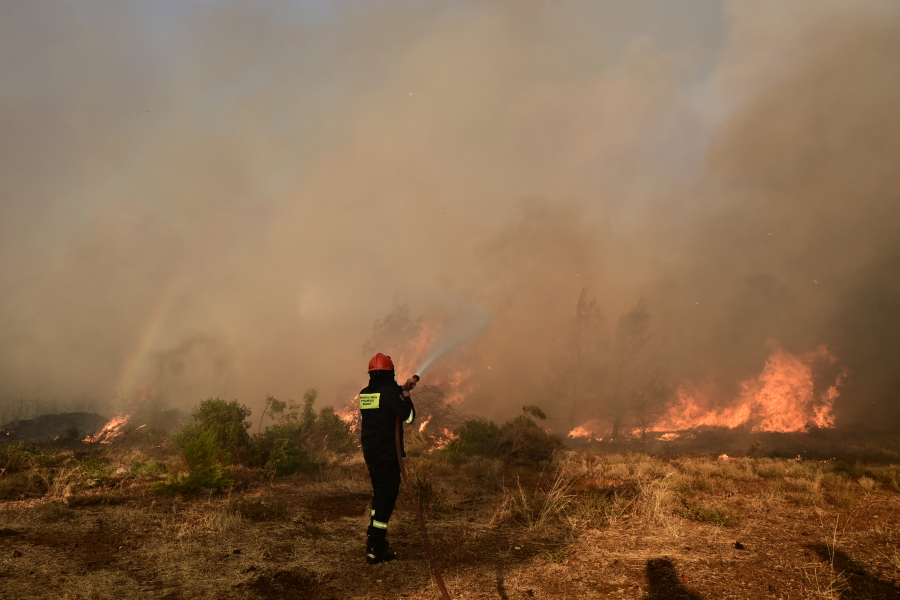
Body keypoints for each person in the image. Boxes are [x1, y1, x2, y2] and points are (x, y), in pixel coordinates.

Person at [359, 353, 417, 565]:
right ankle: (375, 546)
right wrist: (406, 395)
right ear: (390, 371)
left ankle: (373, 538)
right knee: (387, 498)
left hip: (371, 454)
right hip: (388, 456)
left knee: (379, 495)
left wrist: (402, 389)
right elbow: (409, 418)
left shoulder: (364, 394)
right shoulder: (392, 392)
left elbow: (384, 398)